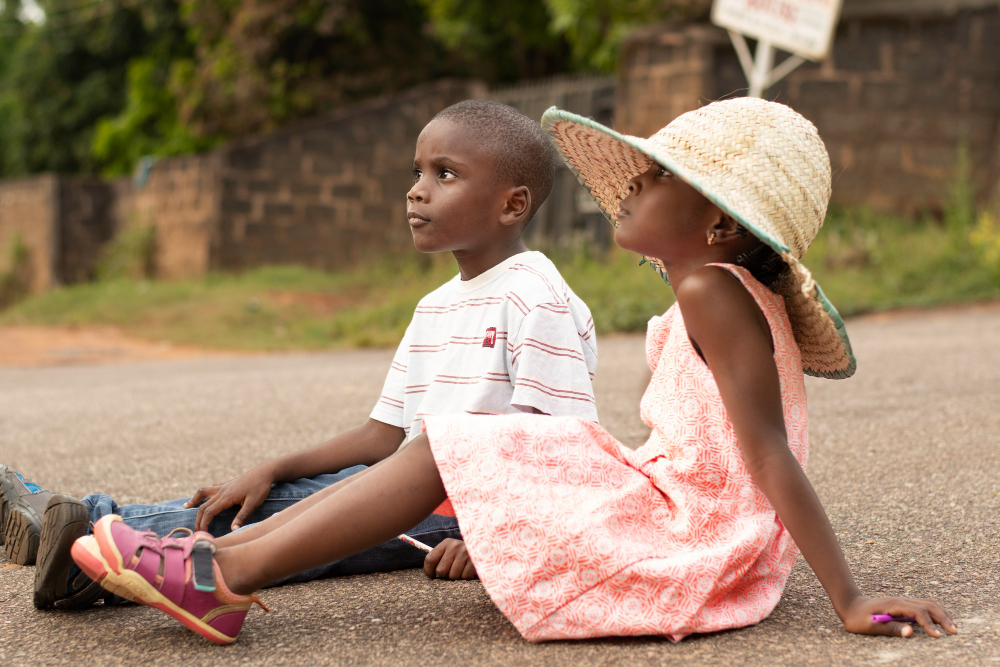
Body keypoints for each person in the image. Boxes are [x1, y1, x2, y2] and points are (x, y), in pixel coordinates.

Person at [70, 97, 956, 645]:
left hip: (692, 531)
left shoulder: (711, 292)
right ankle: (210, 562)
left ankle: (215, 573)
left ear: (719, 225)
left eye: (653, 181)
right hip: (670, 500)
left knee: (450, 446)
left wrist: (849, 595)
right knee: (443, 446)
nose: (629, 190)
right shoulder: (713, 288)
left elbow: (767, 459)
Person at [7, 99, 600, 611]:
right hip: (395, 483)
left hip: (454, 512)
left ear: (511, 205)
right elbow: (380, 436)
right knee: (275, 500)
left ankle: (84, 537)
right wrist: (277, 466)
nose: (416, 189)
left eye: (445, 174)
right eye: (417, 171)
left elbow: (560, 449)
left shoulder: (535, 296)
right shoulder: (435, 306)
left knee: (291, 531)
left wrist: (494, 536)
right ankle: (90, 546)